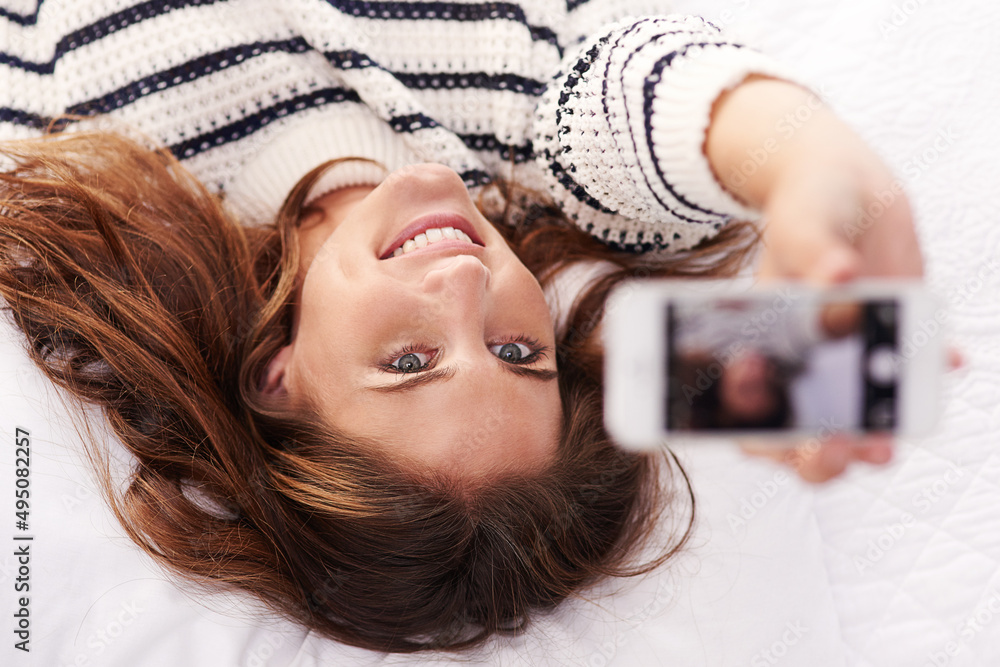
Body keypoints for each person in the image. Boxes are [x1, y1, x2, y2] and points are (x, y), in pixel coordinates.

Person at [0, 0, 922, 653]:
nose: (468, 286)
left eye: (409, 360)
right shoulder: (534, 148)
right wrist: (810, 161)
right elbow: (646, 99)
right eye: (519, 352)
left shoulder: (79, 161)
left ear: (278, 377)